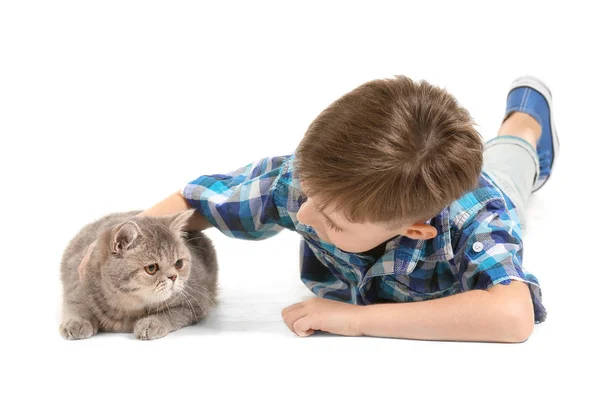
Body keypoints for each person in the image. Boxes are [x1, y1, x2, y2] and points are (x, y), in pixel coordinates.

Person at [80, 75, 558, 342]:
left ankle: (526, 119)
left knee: (510, 161)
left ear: (415, 231)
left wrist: (353, 319)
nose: (304, 217)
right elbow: (194, 200)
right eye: (309, 196)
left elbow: (511, 316)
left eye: (333, 223)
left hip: (491, 189)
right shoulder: (305, 184)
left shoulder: (476, 223)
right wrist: (124, 244)